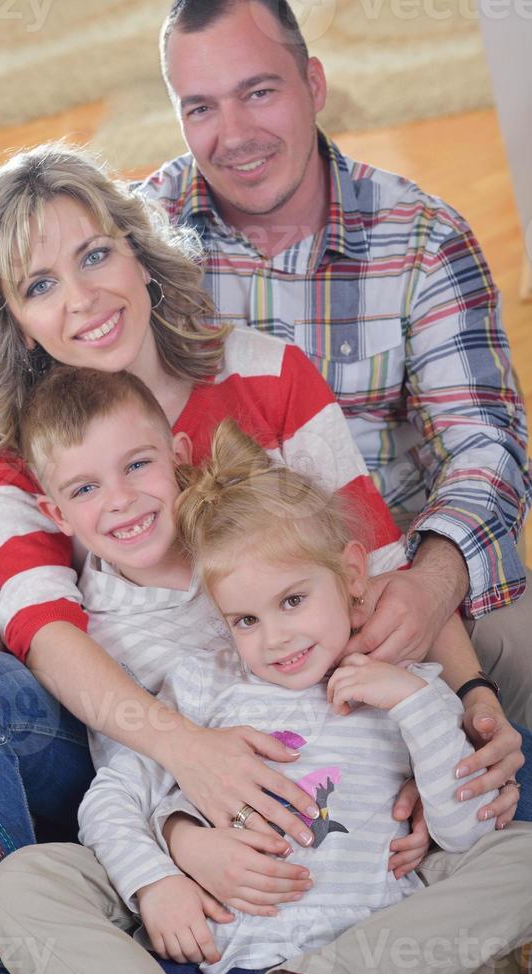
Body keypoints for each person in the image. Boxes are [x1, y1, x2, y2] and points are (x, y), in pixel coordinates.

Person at [0, 141, 494, 974]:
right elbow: (42, 628)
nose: (84, 299)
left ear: (138, 251)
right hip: (118, 747)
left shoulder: (266, 373)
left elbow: (377, 572)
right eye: (40, 285)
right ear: (16, 321)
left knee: (509, 802)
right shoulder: (4, 447)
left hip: (308, 731)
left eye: (95, 254)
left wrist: (458, 707)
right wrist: (185, 777)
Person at [0, 374, 532, 974]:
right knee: (17, 884)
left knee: (521, 857)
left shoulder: (404, 680)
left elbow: (457, 832)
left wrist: (417, 703)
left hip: (364, 931)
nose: (275, 638)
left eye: (293, 601)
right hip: (218, 933)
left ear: (351, 577)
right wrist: (160, 873)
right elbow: (117, 795)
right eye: (244, 619)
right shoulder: (203, 682)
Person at [134, 0, 532, 728]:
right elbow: (31, 414)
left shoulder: (424, 240)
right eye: (201, 108)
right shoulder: (136, 248)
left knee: (520, 649)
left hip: (393, 580)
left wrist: (433, 582)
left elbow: (488, 444)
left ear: (313, 83)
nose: (235, 137)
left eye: (259, 92)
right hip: (222, 609)